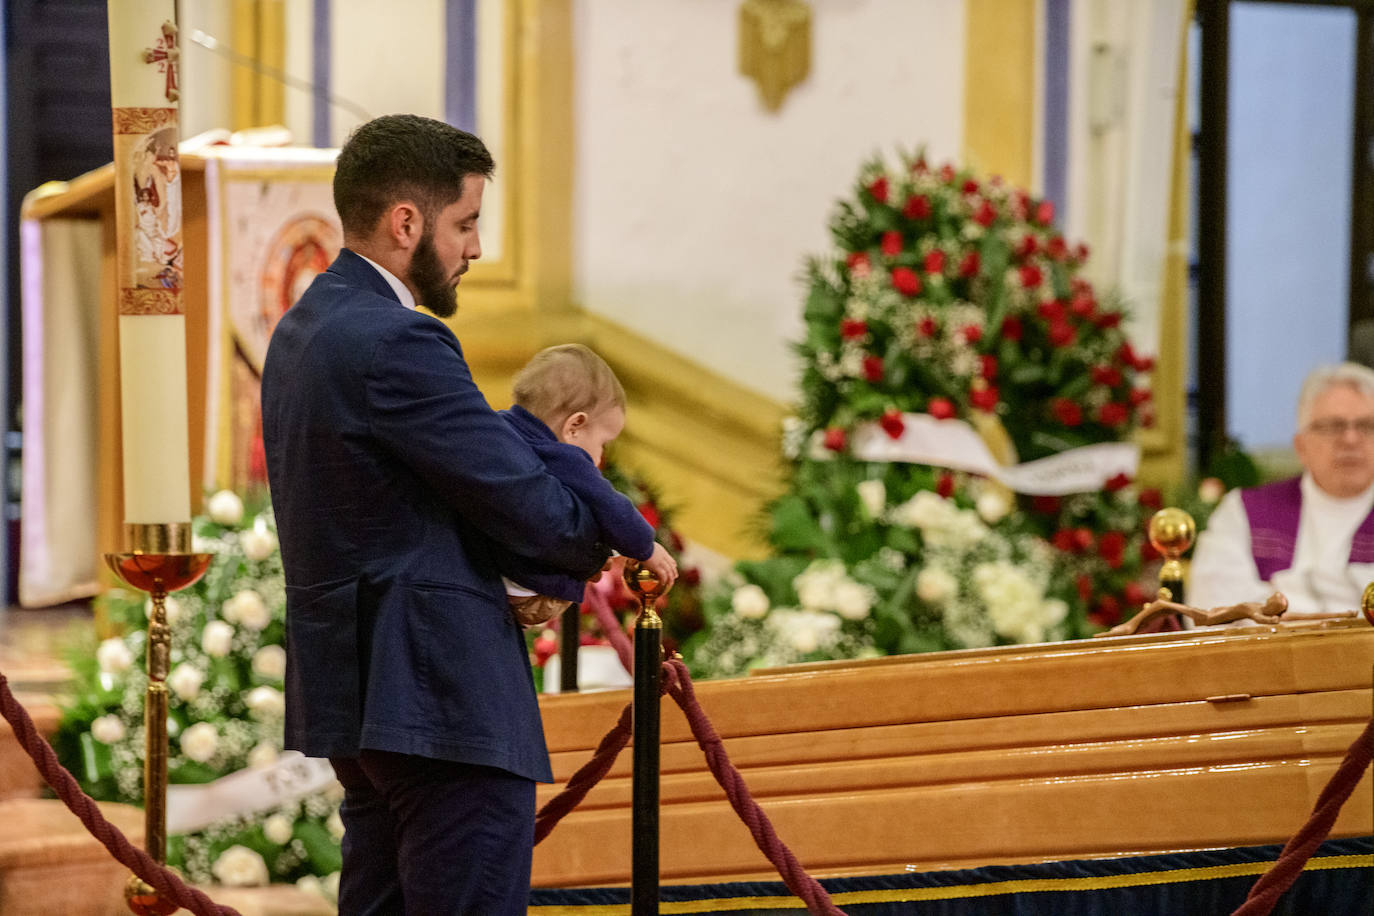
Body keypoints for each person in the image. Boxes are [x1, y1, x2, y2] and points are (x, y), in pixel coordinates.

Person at [260, 114, 610, 915]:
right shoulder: (399, 341)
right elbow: (530, 506)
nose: (475, 248)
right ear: (406, 222)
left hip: (362, 706)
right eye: (466, 222)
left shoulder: (303, 329)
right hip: (441, 703)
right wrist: (594, 528)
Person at [497, 343, 678, 626]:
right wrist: (647, 547)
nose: (601, 455)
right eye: (603, 442)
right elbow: (609, 504)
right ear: (575, 426)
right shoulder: (564, 455)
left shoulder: (497, 429)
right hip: (528, 590)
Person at [1190, 362, 1374, 618]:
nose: (1351, 440)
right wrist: (1348, 593)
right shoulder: (1243, 511)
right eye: (1334, 426)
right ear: (1301, 446)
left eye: (1367, 426)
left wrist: (1276, 595)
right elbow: (1210, 612)